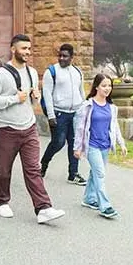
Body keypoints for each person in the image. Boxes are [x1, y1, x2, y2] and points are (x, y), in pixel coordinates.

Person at [0, 34, 65, 224]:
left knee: (33, 170)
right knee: (3, 170)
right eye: (23, 48)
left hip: (29, 128)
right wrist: (14, 98)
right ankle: (1, 202)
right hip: (7, 129)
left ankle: (43, 208)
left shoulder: (31, 72)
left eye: (29, 49)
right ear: (13, 49)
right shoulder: (1, 73)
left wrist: (34, 96)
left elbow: (28, 98)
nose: (27, 52)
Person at [73, 73, 127, 218]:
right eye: (104, 85)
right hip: (92, 145)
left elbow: (114, 126)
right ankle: (105, 206)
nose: (107, 88)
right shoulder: (88, 105)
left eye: (109, 85)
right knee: (100, 173)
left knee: (95, 172)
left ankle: (89, 199)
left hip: (105, 145)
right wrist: (77, 147)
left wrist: (121, 143)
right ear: (96, 87)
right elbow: (80, 128)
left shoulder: (111, 107)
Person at [40, 43, 86, 185]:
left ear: (72, 57)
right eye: (59, 55)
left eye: (65, 56)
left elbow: (81, 92)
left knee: (74, 144)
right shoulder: (52, 71)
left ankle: (73, 174)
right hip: (59, 114)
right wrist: (51, 115)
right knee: (58, 142)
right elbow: (47, 95)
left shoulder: (77, 72)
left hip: (75, 113)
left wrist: (83, 110)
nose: (61, 58)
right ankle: (43, 164)